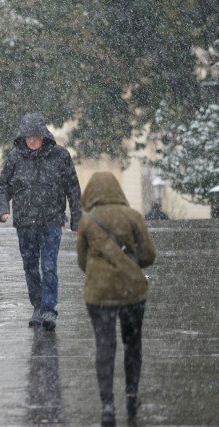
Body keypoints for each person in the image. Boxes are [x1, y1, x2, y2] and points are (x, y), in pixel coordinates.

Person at [77, 172, 156, 426]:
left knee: (105, 345)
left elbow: (82, 261)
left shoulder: (87, 221)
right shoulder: (132, 216)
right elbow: (149, 255)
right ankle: (131, 395)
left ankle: (108, 404)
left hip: (99, 295)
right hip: (131, 292)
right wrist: (129, 264)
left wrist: (100, 273)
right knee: (133, 344)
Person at [0, 112, 81, 331]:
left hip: (51, 221)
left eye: (35, 136)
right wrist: (3, 209)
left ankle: (49, 310)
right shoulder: (15, 157)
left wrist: (76, 219)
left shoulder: (60, 156)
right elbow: (3, 186)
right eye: (28, 136)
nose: (32, 140)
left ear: (43, 135)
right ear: (22, 138)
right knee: (30, 267)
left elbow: (73, 187)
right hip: (25, 223)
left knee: (49, 266)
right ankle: (37, 306)